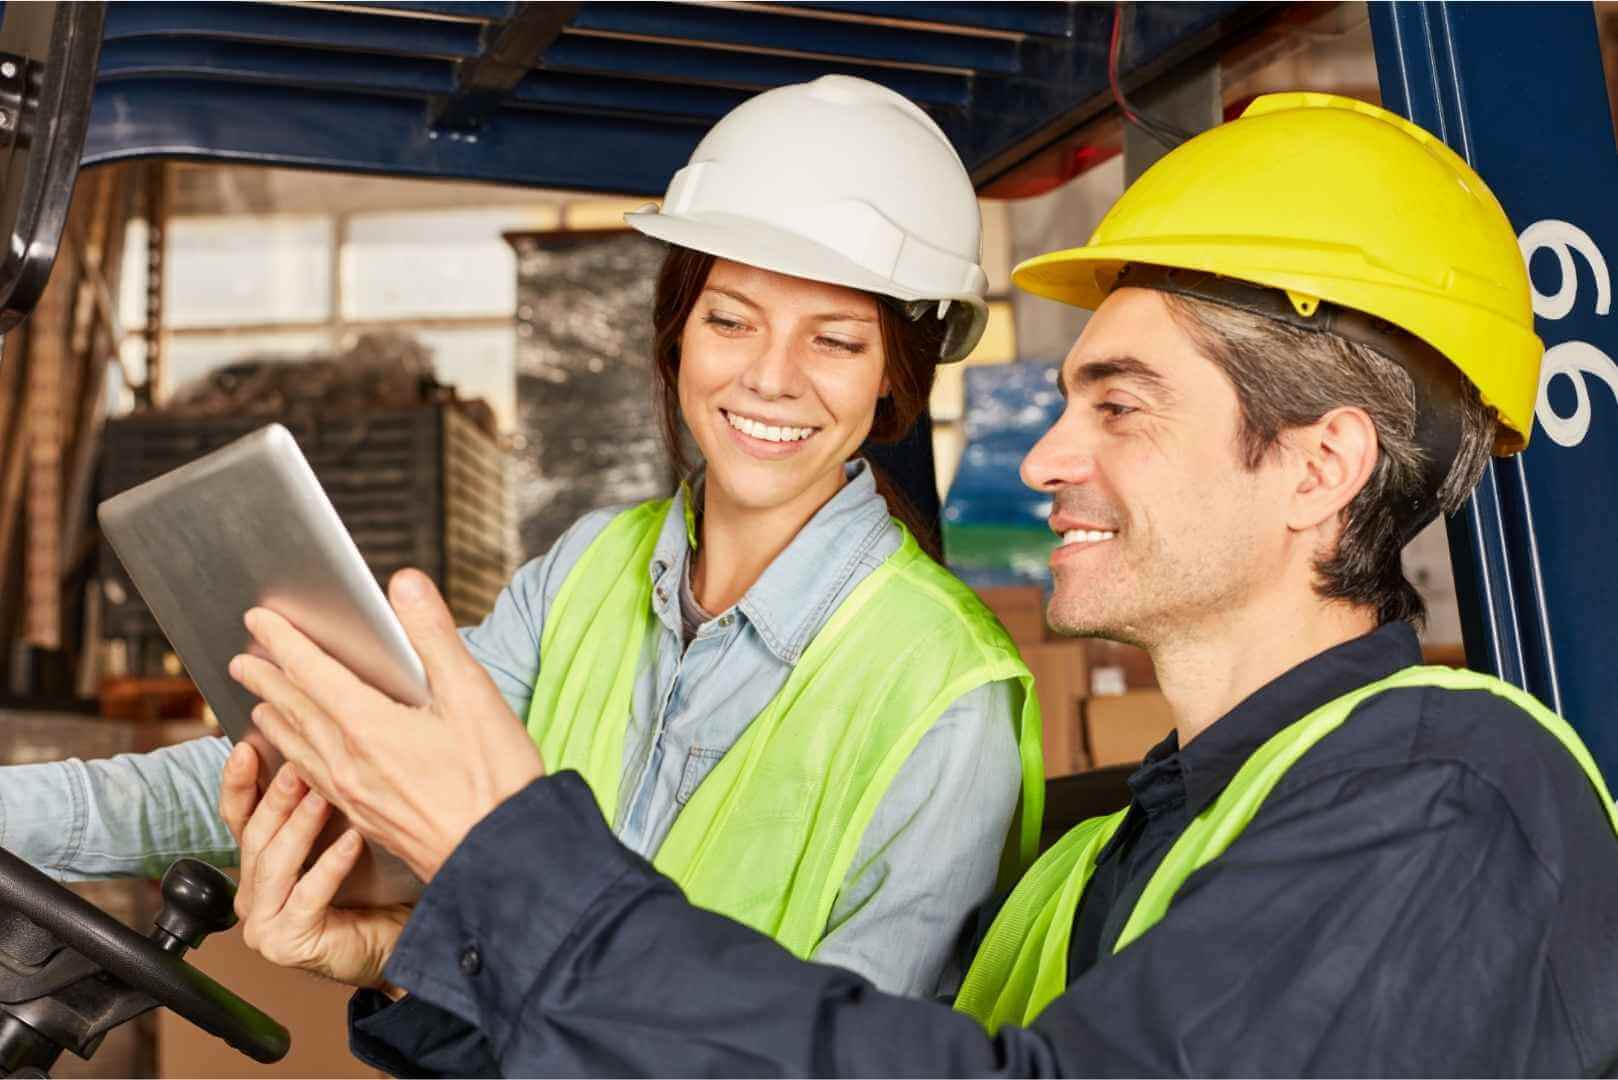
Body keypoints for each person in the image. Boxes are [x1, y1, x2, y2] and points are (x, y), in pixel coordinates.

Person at [229, 92, 1618, 1076]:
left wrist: (513, 861)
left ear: (1318, 468)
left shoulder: (1447, 803)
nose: (1050, 454)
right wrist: (421, 961)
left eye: (1118, 409)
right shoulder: (1102, 864)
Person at [0, 75, 1045, 999]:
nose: (770, 377)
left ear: (894, 371)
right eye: (731, 320)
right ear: (677, 332)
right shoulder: (588, 569)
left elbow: (844, 1054)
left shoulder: (948, 693)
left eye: (835, 338)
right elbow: (332, 765)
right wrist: (377, 951)